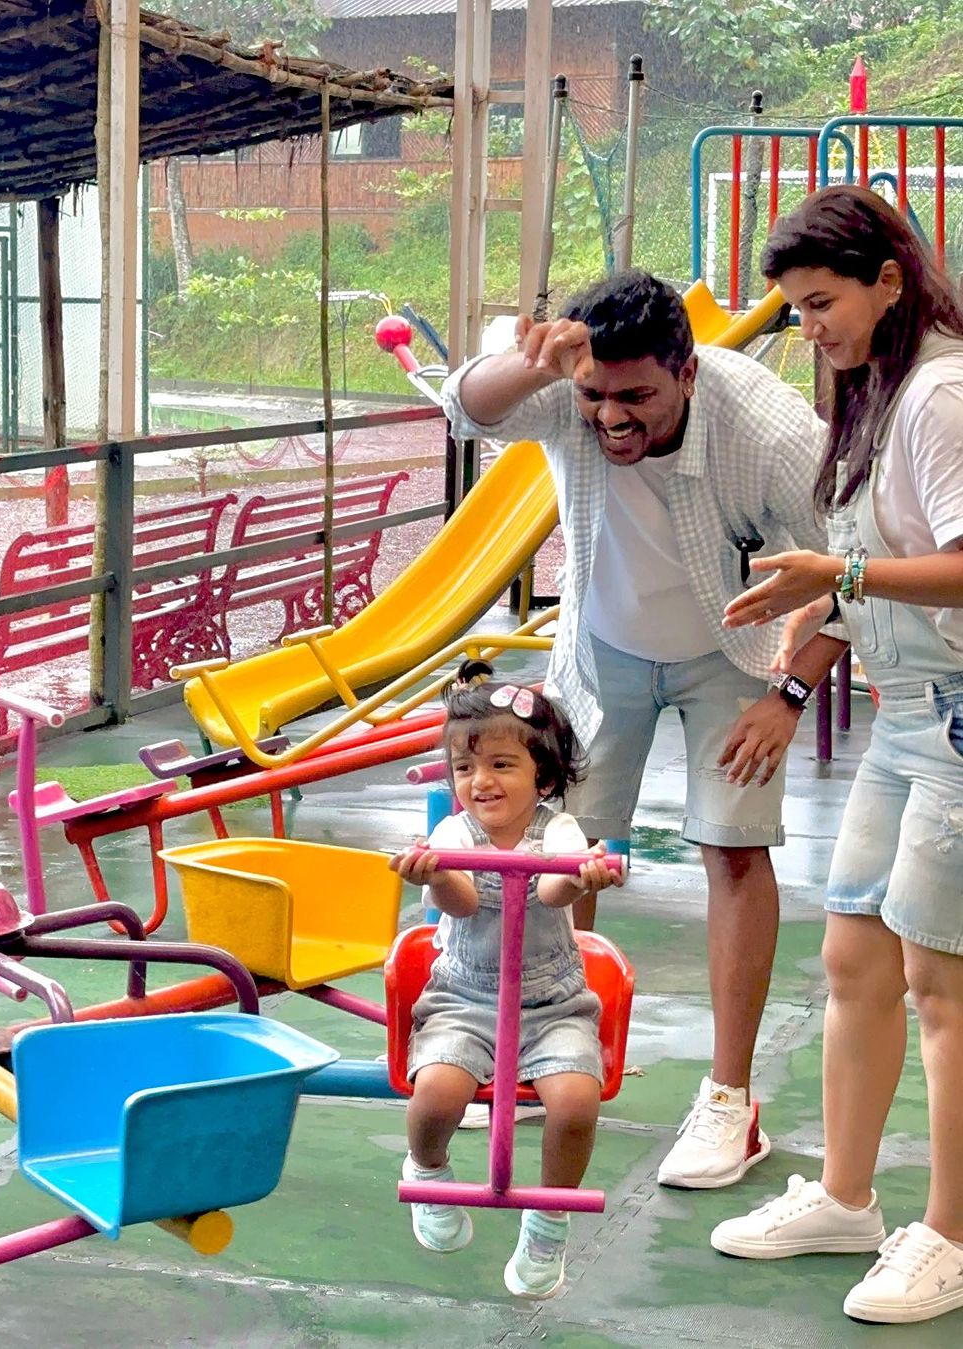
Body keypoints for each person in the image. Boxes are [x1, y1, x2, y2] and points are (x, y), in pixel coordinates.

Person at [442, 269, 840, 1190]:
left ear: (687, 373)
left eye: (638, 398)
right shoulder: (566, 386)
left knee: (733, 848)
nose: (612, 418)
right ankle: (543, 1043)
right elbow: (465, 409)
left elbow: (856, 564)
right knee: (556, 850)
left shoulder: (773, 433)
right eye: (596, 396)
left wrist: (788, 695)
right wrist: (536, 365)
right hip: (603, 649)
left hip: (731, 656)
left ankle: (730, 1101)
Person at [710, 185, 963, 1327]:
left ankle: (949, 1234)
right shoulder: (875, 394)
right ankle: (848, 1201)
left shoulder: (940, 393)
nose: (809, 326)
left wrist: (838, 575)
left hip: (955, 717)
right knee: (855, 960)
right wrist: (810, 629)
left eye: (823, 303)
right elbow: (868, 572)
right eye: (797, 309)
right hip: (903, 715)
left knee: (943, 987)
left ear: (889, 282)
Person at [389, 659, 622, 1299]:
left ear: (542, 775)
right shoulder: (453, 832)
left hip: (552, 1004)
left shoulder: (559, 830)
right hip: (463, 999)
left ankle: (548, 1218)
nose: (480, 781)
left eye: (501, 764)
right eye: (465, 768)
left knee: (575, 1102)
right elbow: (463, 903)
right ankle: (428, 1170)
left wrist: (581, 875)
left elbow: (549, 891)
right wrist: (436, 873)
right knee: (438, 1092)